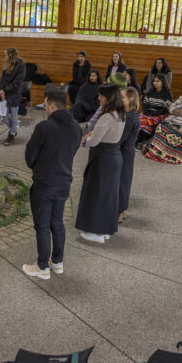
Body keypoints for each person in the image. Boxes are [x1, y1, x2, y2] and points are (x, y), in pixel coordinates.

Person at [21, 91, 81, 279]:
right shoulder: (77, 128)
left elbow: (30, 156)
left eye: (46, 105)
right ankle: (57, 262)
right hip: (64, 182)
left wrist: (37, 166)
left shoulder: (44, 127)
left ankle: (42, 267)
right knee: (57, 222)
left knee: (42, 226)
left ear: (53, 106)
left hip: (45, 183)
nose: (45, 107)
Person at [75, 84, 126, 244]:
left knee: (96, 193)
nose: (99, 98)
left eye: (101, 95)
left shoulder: (106, 117)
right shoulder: (121, 114)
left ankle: (95, 233)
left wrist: (87, 138)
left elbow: (95, 141)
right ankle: (104, 230)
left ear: (108, 97)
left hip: (103, 159)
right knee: (108, 196)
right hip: (114, 157)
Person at [119, 88, 141, 223]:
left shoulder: (131, 117)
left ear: (131, 99)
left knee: (122, 182)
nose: (119, 99)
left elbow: (120, 138)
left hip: (124, 153)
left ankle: (120, 211)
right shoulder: (128, 114)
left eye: (122, 97)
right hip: (125, 151)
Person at [0, 47, 27, 146]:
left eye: (6, 54)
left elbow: (17, 83)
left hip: (14, 93)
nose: (5, 56)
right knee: (5, 117)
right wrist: (1, 90)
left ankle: (11, 134)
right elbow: (2, 79)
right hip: (5, 94)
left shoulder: (21, 65)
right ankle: (13, 130)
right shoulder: (6, 64)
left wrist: (4, 89)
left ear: (10, 55)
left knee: (13, 117)